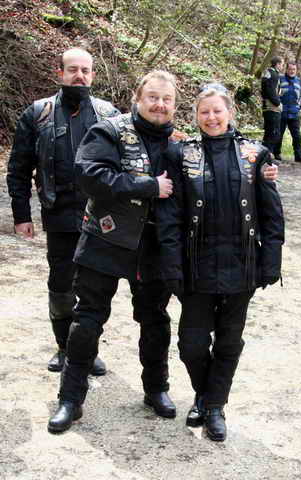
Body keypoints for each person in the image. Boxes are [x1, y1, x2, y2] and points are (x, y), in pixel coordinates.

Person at [46, 70, 180, 433]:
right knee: (87, 321)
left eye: (166, 99)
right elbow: (88, 174)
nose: (159, 105)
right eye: (153, 97)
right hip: (104, 240)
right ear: (137, 98)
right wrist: (147, 186)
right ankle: (70, 400)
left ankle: (156, 389)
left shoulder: (180, 145)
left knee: (155, 321)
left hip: (153, 247)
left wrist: (261, 169)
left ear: (174, 105)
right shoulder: (109, 130)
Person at [156, 84, 284, 442]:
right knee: (191, 344)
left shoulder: (256, 154)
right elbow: (169, 216)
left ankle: (214, 406)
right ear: (196, 116)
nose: (211, 117)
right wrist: (171, 264)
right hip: (195, 266)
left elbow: (272, 214)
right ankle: (204, 393)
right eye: (204, 111)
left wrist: (271, 261)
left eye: (217, 110)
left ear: (230, 112)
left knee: (229, 341)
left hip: (241, 264)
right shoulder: (179, 154)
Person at [6, 48, 119, 375]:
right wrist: (22, 215)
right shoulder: (37, 113)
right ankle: (64, 346)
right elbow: (18, 168)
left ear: (93, 75)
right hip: (59, 215)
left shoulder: (109, 114)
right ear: (60, 73)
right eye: (73, 69)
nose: (79, 76)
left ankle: (87, 349)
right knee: (61, 285)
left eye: (85, 70)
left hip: (101, 217)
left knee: (94, 288)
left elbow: (126, 165)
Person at [273, 61, 301, 163]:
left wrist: (298, 106)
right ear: (286, 69)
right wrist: (278, 105)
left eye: (294, 69)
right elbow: (275, 93)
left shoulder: (299, 81)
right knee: (279, 134)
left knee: (297, 135)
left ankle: (298, 155)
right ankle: (276, 153)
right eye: (290, 69)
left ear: (296, 70)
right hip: (282, 111)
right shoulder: (280, 79)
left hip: (294, 112)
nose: (292, 71)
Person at [261, 56, 284, 156]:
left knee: (268, 133)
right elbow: (270, 91)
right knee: (274, 133)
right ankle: (267, 156)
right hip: (272, 108)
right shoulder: (274, 75)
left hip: (266, 106)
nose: (282, 67)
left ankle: (264, 155)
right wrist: (278, 103)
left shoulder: (268, 73)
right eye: (282, 64)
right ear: (277, 64)